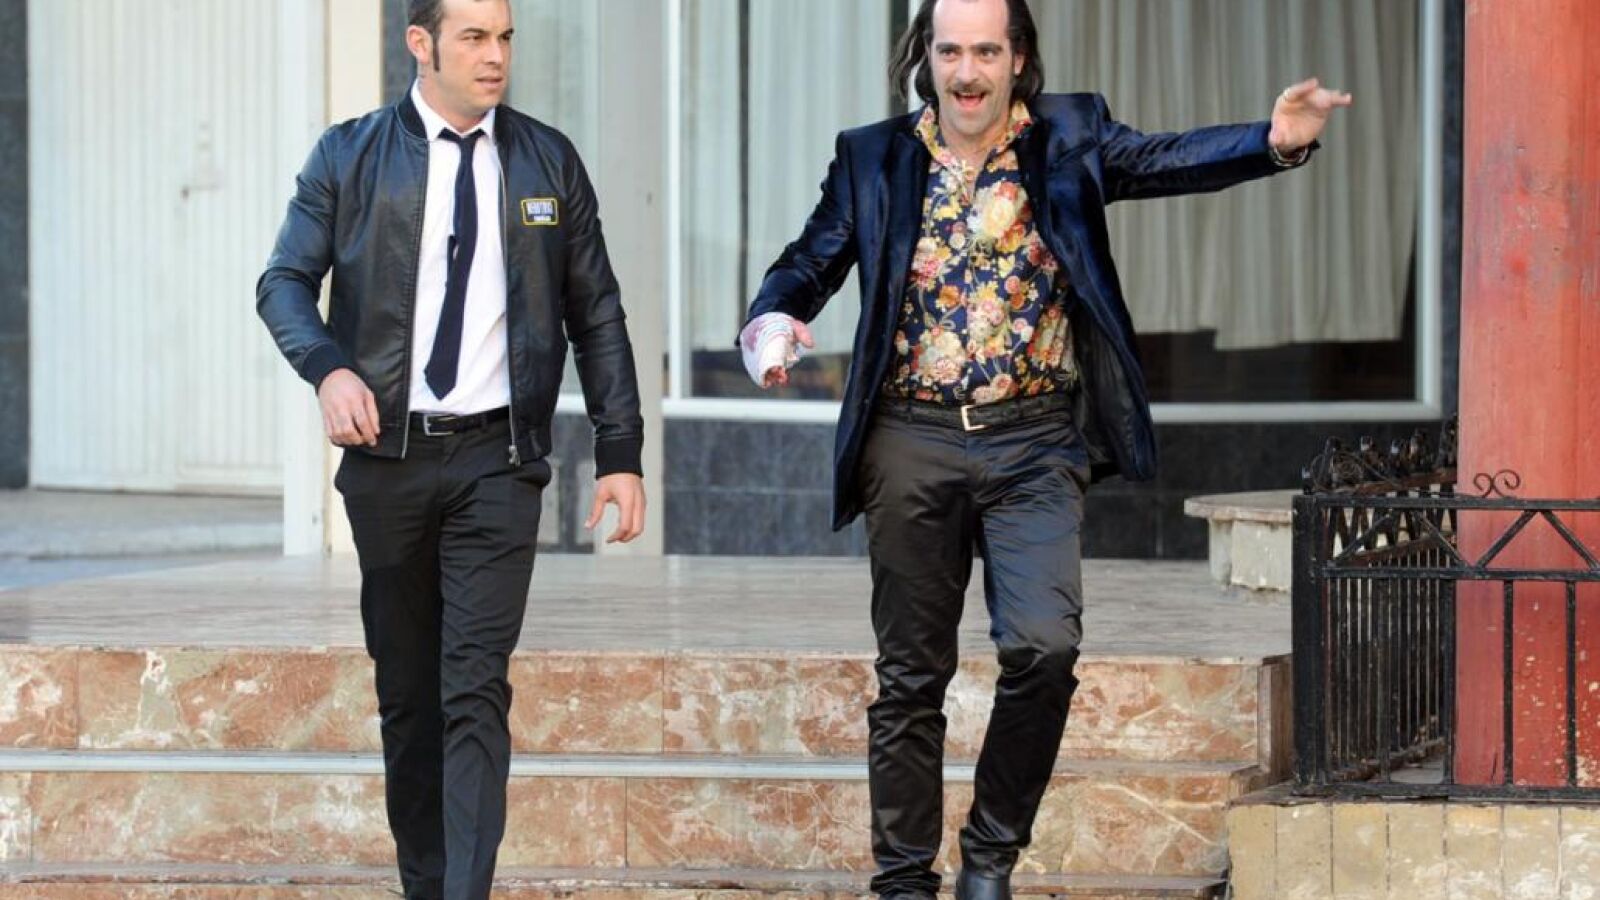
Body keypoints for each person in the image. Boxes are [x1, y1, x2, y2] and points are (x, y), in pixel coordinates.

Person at [738, 1, 1350, 897]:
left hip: (1033, 441)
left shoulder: (1069, 136)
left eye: (987, 51)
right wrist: (772, 320)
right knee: (911, 676)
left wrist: (1272, 139)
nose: (968, 72)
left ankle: (989, 857)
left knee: (1044, 649)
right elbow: (810, 260)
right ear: (926, 57)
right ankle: (903, 880)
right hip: (910, 437)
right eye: (951, 51)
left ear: (1019, 58)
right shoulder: (873, 155)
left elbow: (1165, 159)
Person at [256, 1, 646, 896]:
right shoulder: (349, 155)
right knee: (409, 698)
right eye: (473, 37)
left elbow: (596, 312)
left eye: (504, 37)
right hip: (388, 460)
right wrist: (328, 369)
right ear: (421, 44)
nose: (495, 55)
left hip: (497, 462)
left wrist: (620, 451)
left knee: (474, 689)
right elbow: (283, 281)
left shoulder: (547, 161)